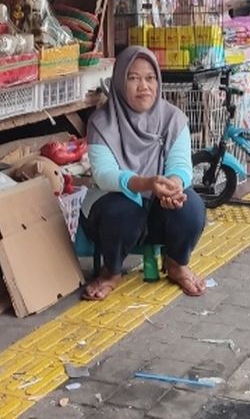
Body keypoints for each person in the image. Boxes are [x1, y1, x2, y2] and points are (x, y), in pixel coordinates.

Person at [82, 46, 206, 301]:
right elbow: (104, 175)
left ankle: (176, 264)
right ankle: (111, 270)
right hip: (114, 217)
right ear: (118, 81)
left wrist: (173, 187)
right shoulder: (101, 123)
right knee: (121, 210)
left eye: (150, 78)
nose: (144, 86)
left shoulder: (173, 119)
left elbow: (181, 166)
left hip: (159, 212)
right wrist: (146, 183)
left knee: (191, 206)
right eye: (133, 78)